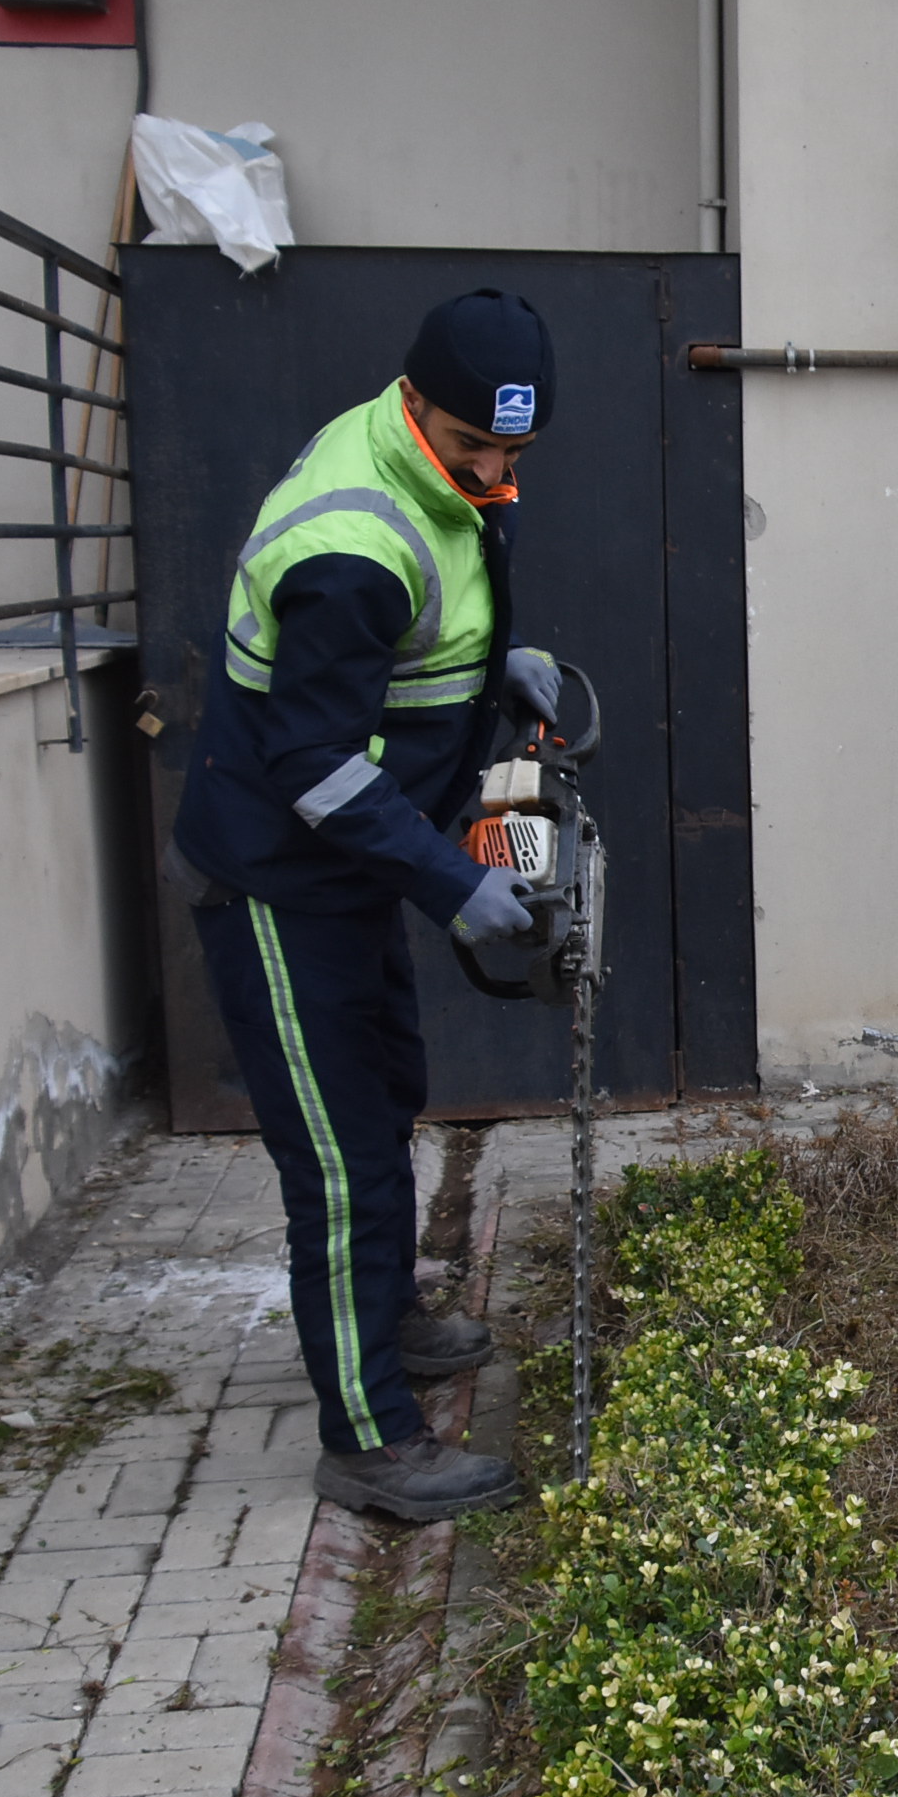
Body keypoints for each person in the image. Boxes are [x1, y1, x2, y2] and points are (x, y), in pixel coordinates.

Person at [165, 290, 568, 1519]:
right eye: (475, 450)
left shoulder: (427, 460)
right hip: (285, 878)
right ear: (416, 407)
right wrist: (455, 882)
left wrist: (494, 659)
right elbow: (313, 766)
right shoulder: (348, 544)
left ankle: (384, 1311)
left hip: (351, 870)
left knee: (386, 1089)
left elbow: (419, 626)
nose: (496, 475)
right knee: (338, 1159)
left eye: (515, 454)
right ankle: (369, 1434)